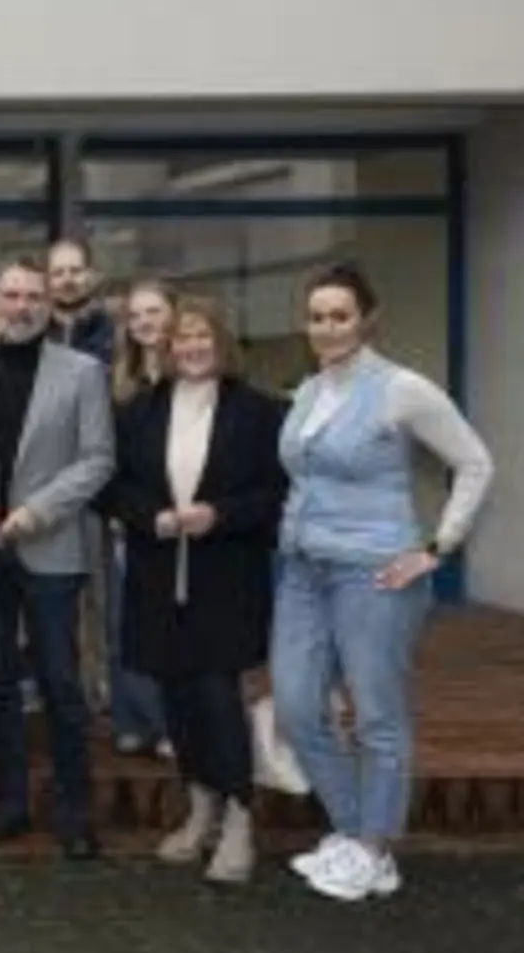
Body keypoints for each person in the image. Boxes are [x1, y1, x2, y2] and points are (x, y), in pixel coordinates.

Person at [274, 262, 493, 902]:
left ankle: (374, 848)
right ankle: (354, 832)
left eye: (340, 316)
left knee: (377, 715)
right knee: (296, 706)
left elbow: (475, 462)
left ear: (367, 319)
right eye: (317, 317)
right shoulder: (309, 391)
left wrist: (438, 547)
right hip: (302, 570)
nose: (327, 328)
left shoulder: (402, 389)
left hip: (374, 572)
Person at [0, 256, 114, 861]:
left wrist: (38, 511)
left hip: (49, 546)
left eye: (33, 296)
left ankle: (74, 812)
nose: (22, 306)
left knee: (60, 683)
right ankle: (8, 804)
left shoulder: (83, 372)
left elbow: (97, 458)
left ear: (48, 303)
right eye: (11, 295)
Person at [104, 297, 288, 884]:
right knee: (177, 699)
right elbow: (112, 487)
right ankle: (200, 807)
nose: (192, 347)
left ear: (222, 341)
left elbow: (277, 493)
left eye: (202, 335)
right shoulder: (138, 411)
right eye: (181, 337)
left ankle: (238, 818)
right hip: (158, 577)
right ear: (166, 346)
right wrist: (150, 516)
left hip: (226, 578)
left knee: (216, 696)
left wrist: (220, 515)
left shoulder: (259, 412)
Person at [104, 279, 180, 760]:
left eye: (154, 312)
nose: (144, 323)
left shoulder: (190, 375)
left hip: (180, 523)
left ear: (174, 314)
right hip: (128, 521)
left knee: (170, 630)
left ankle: (171, 724)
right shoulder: (119, 383)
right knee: (122, 627)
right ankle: (131, 720)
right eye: (135, 316)